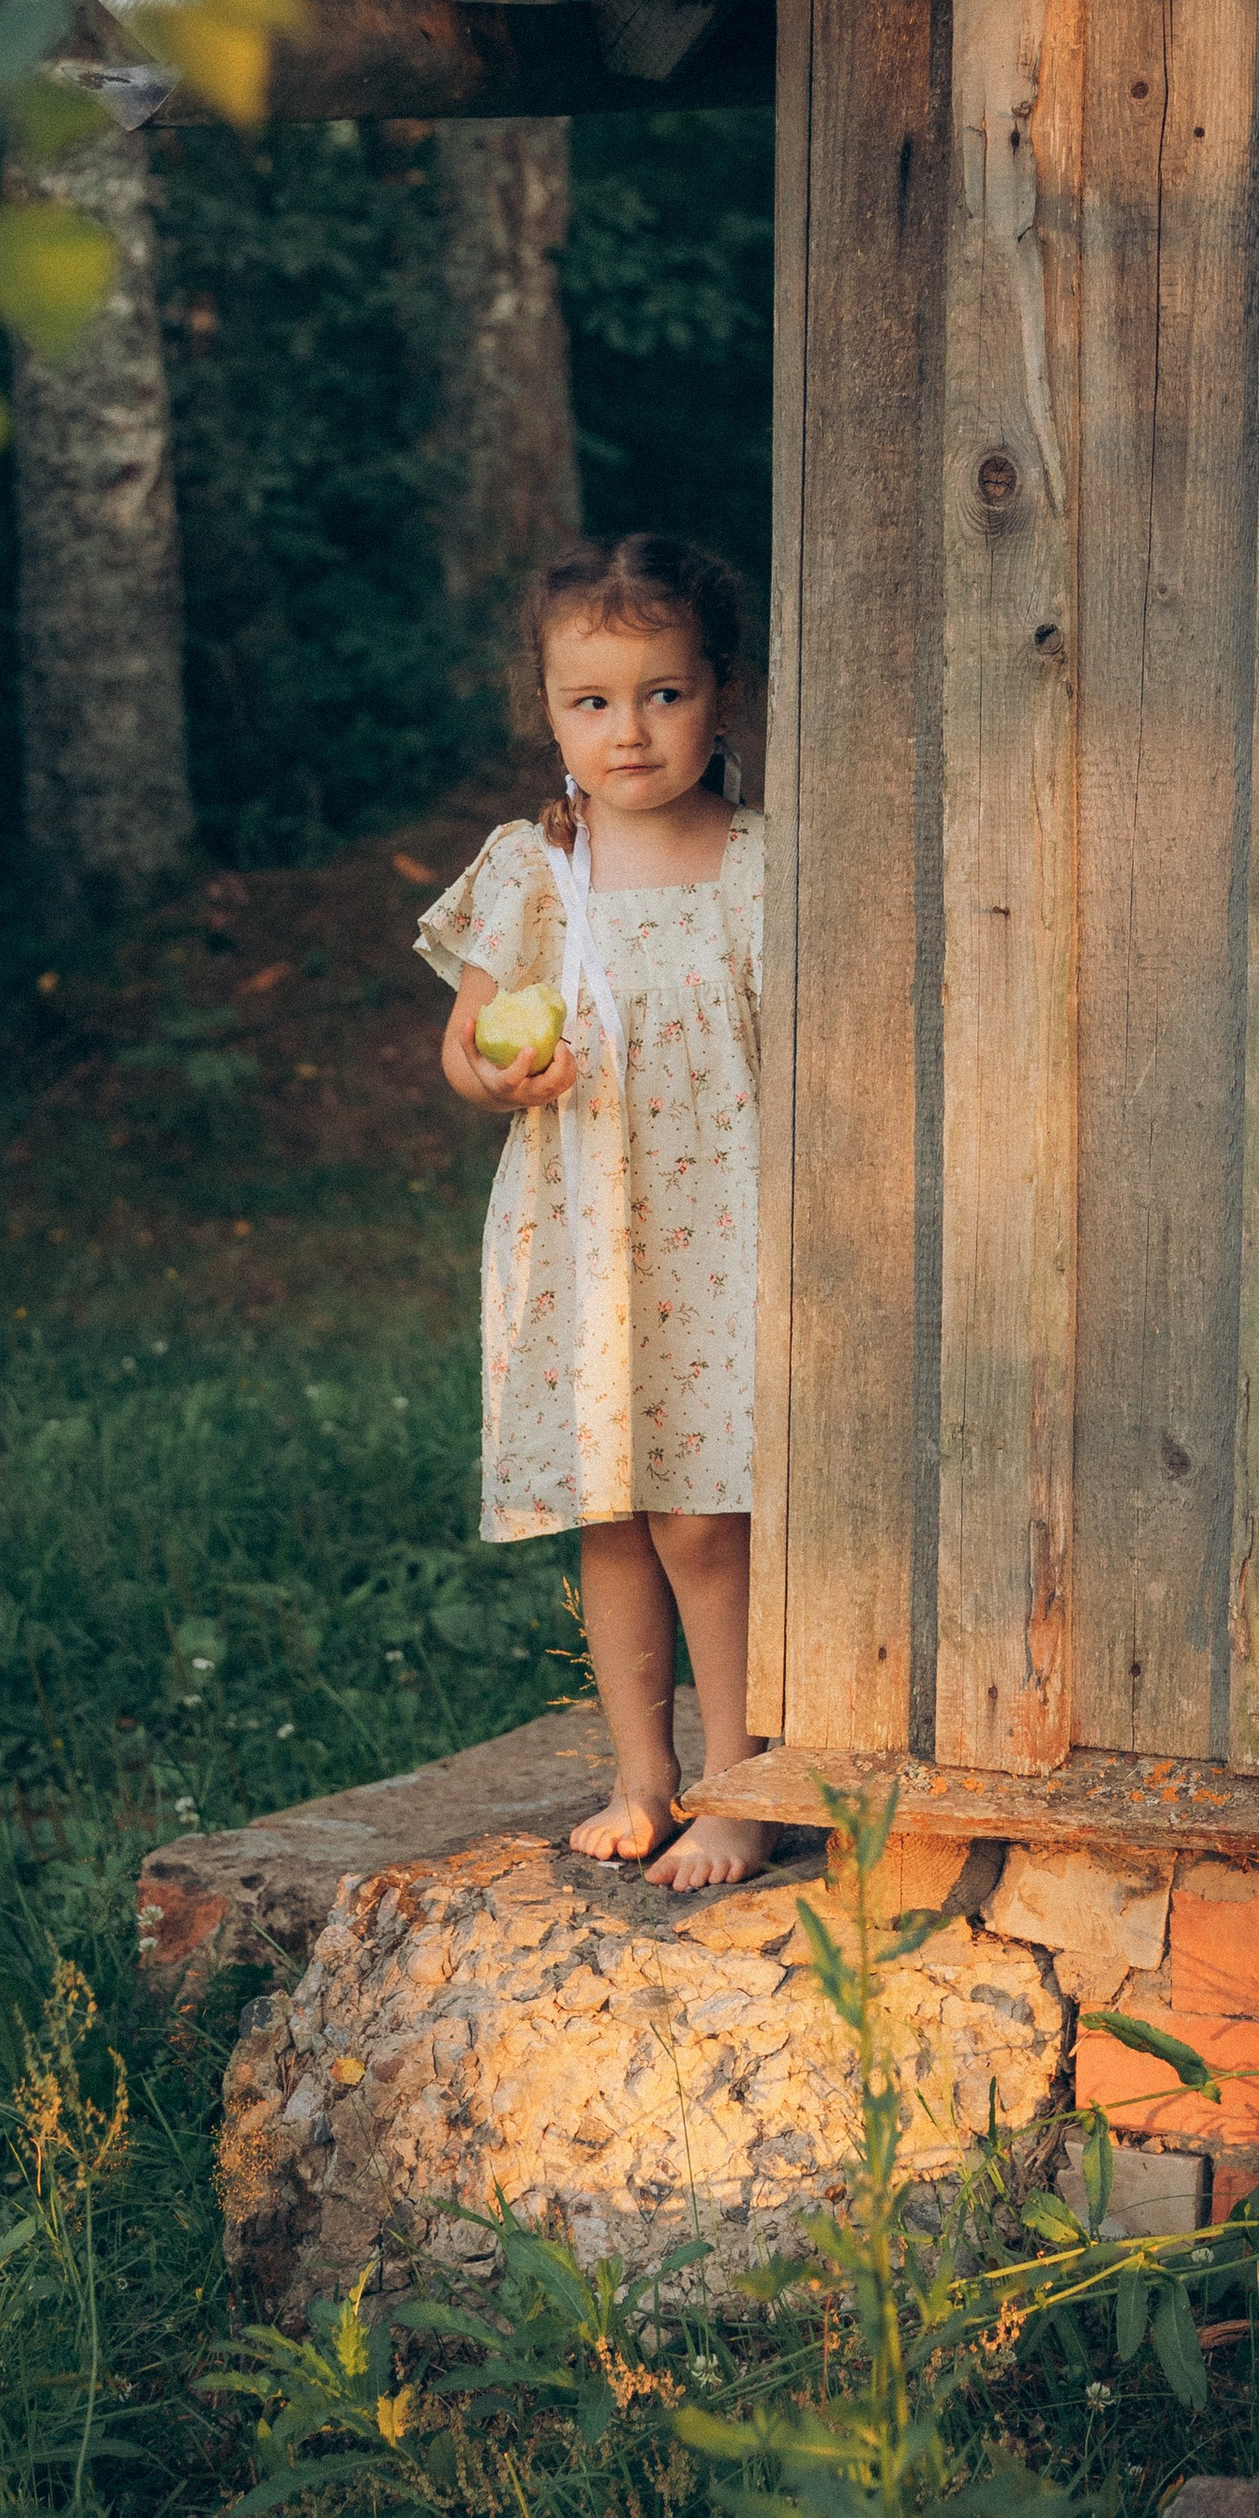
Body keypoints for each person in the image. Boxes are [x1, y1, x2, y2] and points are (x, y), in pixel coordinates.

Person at [417, 534, 776, 1890]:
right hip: (583, 1231)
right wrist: (505, 1071)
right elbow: (465, 1049)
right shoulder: (531, 871)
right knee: (612, 1512)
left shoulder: (756, 864)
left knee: (705, 1516)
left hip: (725, 1237)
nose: (631, 732)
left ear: (721, 696)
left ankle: (745, 1782)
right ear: (551, 711)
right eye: (594, 701)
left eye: (666, 694)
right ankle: (644, 1775)